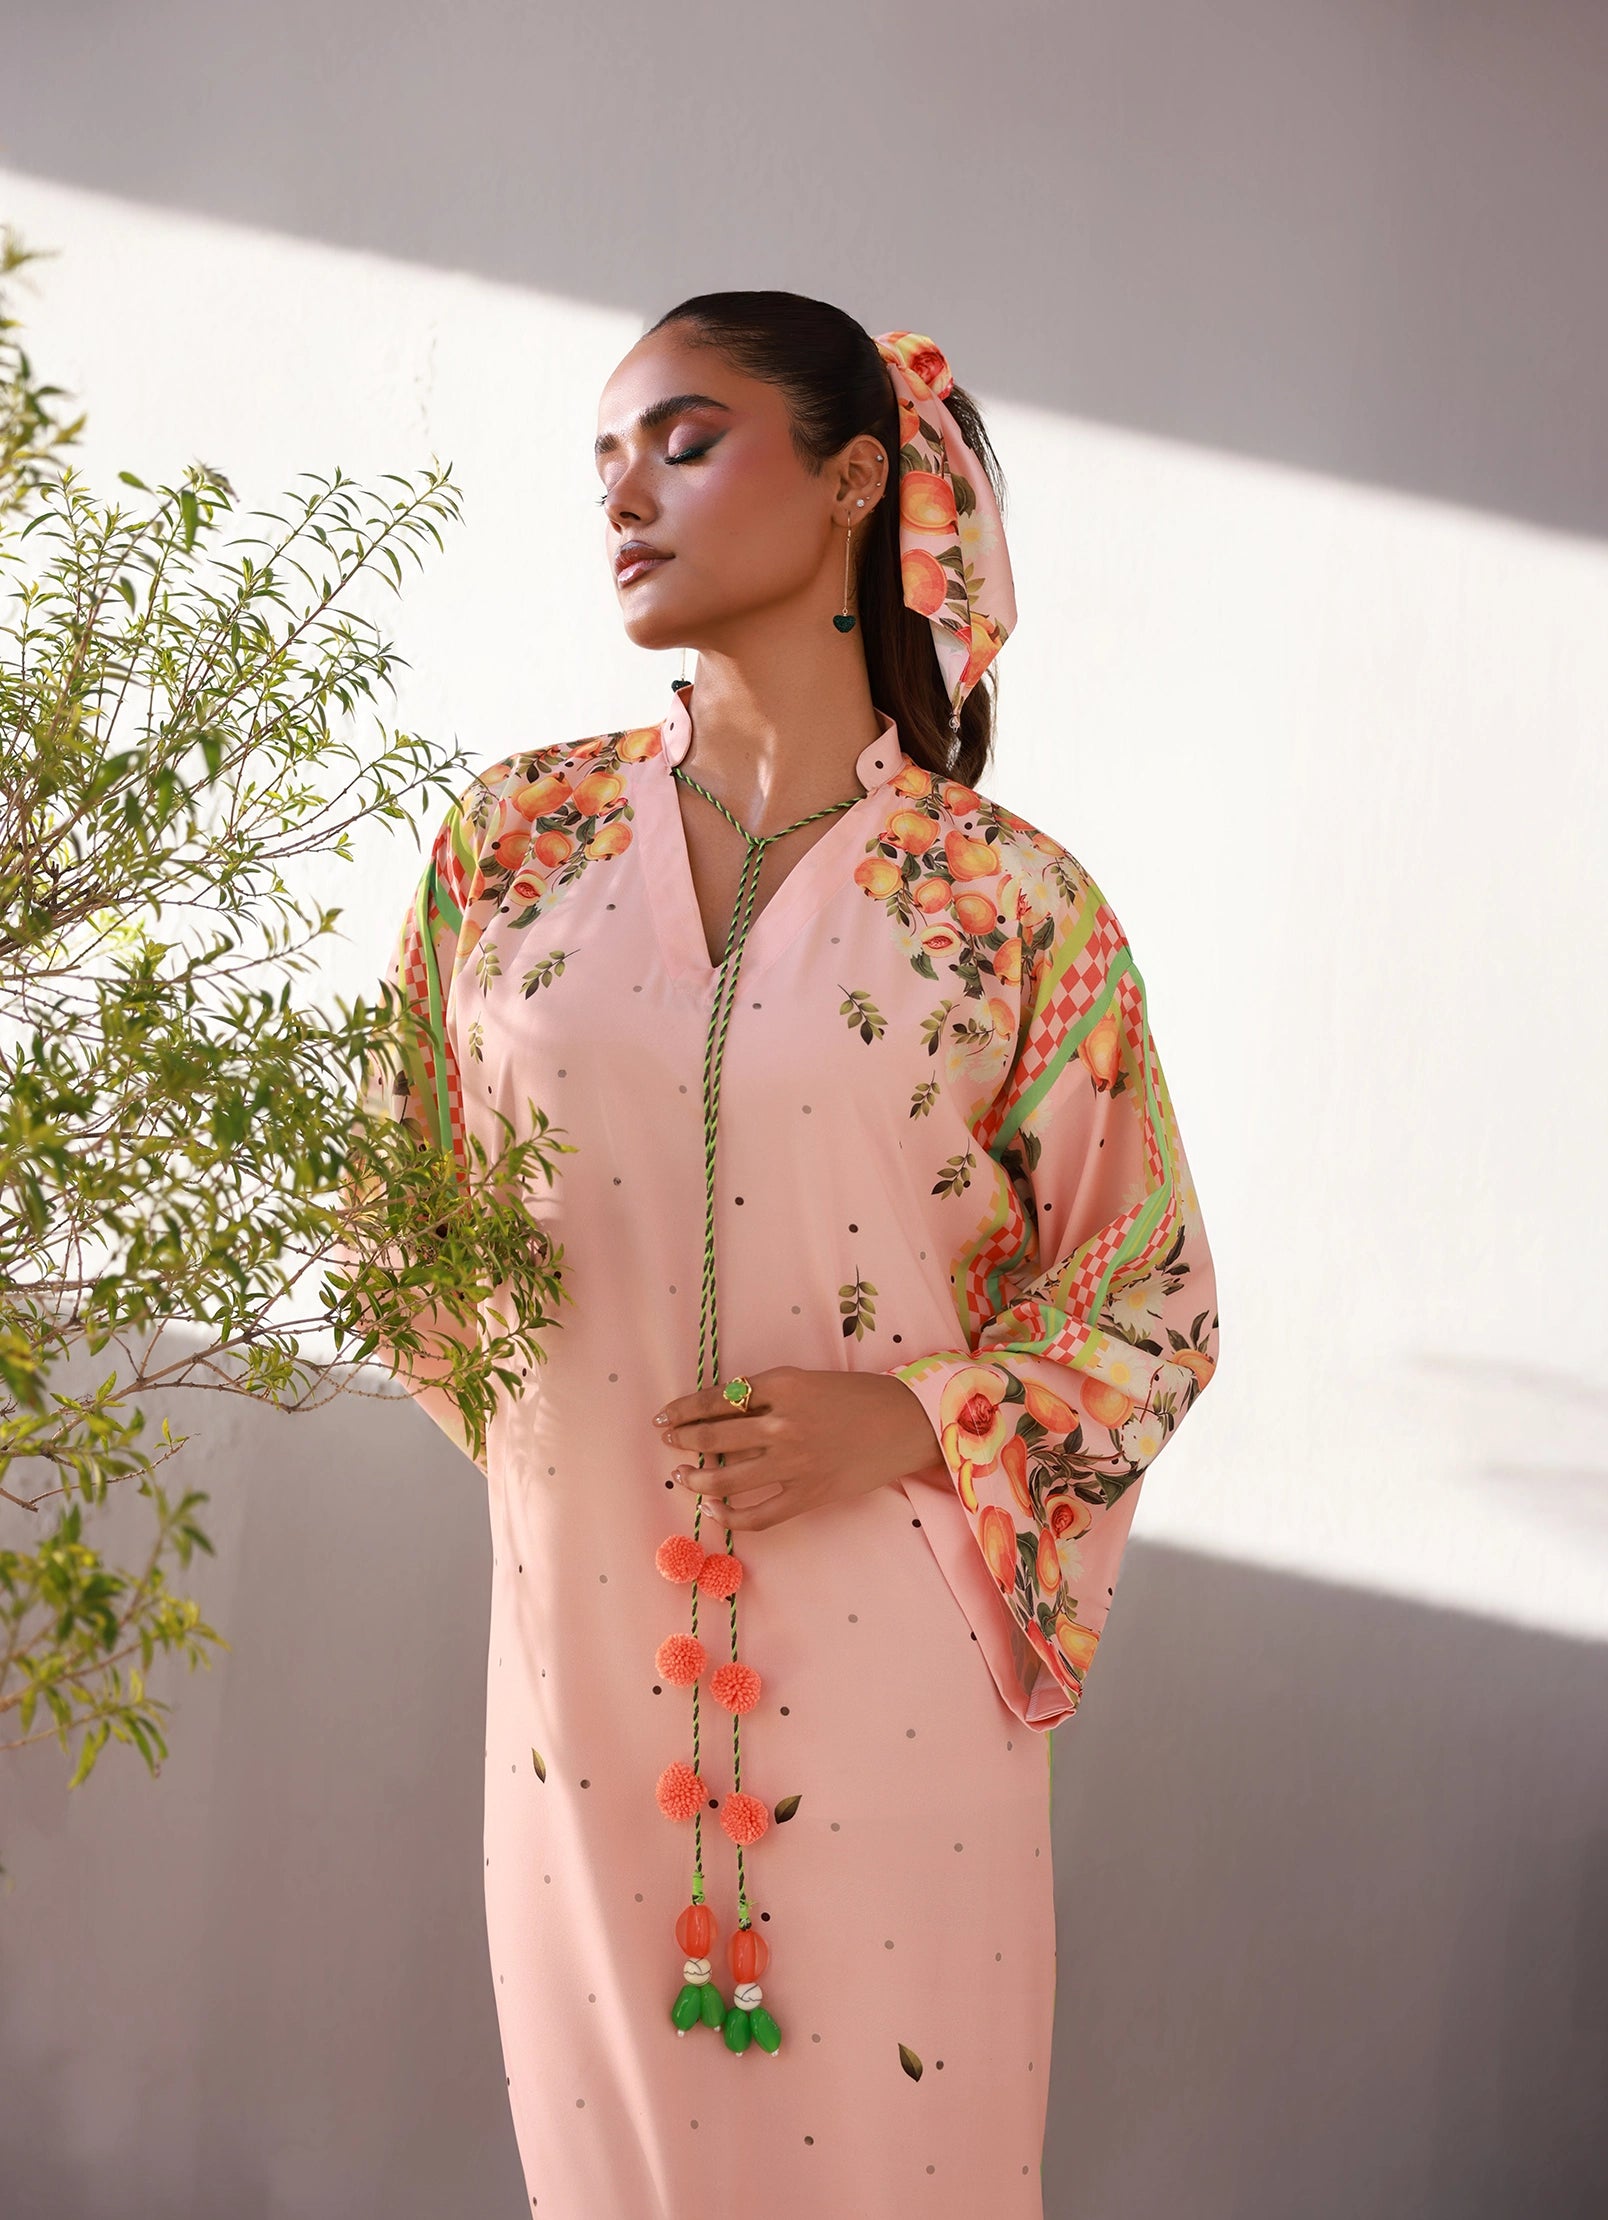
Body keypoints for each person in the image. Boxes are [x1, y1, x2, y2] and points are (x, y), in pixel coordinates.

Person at [364, 291, 1219, 2217]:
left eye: (682, 443)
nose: (623, 497)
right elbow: (398, 1219)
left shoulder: (1010, 905)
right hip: (583, 1672)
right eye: (603, 459)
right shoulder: (513, 845)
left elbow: (1149, 1305)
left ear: (852, 483)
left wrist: (910, 1419)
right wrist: (568, 1468)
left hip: (895, 1662)